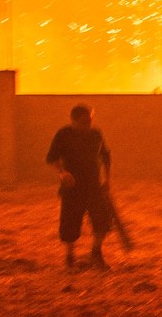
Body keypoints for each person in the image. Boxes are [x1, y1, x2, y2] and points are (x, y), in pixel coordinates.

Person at [46, 103, 113, 271]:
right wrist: (62, 172)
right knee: (70, 223)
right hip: (73, 187)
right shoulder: (64, 135)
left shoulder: (96, 134)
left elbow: (105, 156)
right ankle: (69, 259)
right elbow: (52, 157)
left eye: (90, 120)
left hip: (94, 185)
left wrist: (107, 180)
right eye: (84, 121)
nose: (88, 124)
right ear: (73, 121)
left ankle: (96, 254)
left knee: (102, 220)